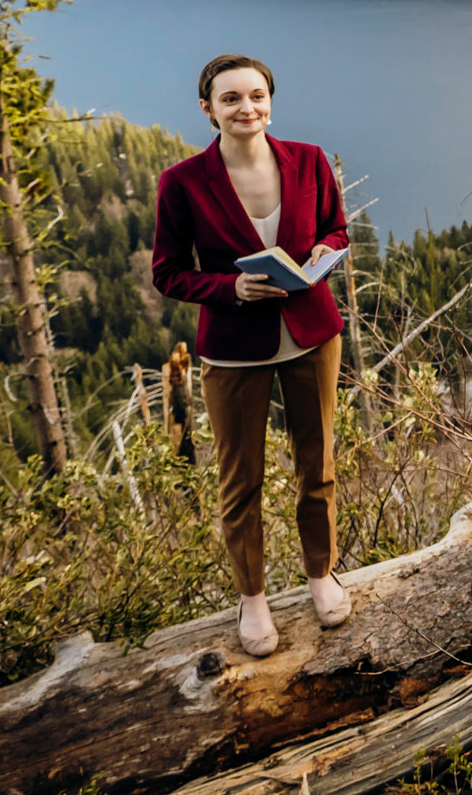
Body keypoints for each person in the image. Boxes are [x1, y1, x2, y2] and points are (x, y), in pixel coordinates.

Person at [151, 54, 354, 658]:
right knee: (240, 482)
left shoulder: (310, 160)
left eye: (257, 95)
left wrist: (323, 250)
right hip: (235, 349)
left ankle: (322, 575)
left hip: (312, 336)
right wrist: (229, 289)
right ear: (207, 109)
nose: (248, 108)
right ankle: (253, 599)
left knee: (317, 468)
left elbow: (338, 230)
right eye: (232, 98)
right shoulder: (182, 182)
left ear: (271, 99)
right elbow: (168, 272)